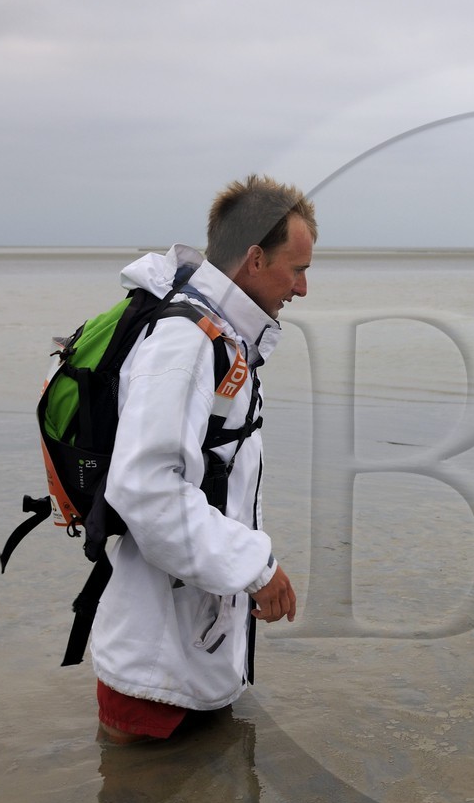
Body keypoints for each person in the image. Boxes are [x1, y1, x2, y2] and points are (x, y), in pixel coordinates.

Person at [89, 175, 315, 744]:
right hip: (154, 679)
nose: (304, 287)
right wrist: (255, 568)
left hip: (188, 655)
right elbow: (144, 488)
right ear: (256, 259)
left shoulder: (224, 336)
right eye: (298, 267)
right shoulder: (185, 342)